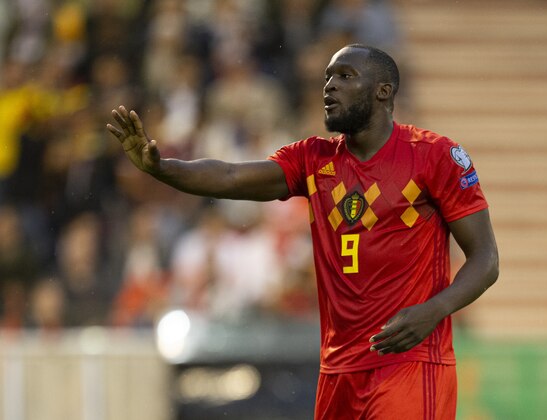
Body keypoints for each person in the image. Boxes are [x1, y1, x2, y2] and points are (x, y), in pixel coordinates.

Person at [107, 44, 499, 419]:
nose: (330, 86)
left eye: (346, 76)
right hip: (337, 372)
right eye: (328, 77)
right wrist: (161, 168)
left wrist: (434, 310)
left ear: (383, 92)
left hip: (410, 363)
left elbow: (486, 260)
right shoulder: (314, 159)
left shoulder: (435, 156)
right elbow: (229, 176)